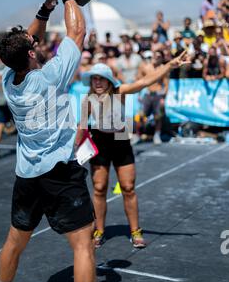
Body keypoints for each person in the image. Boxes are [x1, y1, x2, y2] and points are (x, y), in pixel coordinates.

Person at [0, 0, 121, 282]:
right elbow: (77, 32)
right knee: (82, 244)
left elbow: (21, 44)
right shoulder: (50, 77)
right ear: (31, 53)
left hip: (27, 173)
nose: (35, 41)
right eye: (33, 43)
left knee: (14, 240)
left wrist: (45, 7)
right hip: (60, 173)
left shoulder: (8, 79)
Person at [76, 51, 189, 249]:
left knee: (128, 187)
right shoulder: (88, 100)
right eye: (94, 79)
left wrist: (170, 65)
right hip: (99, 140)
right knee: (100, 188)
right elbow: (82, 126)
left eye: (101, 78)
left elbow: (146, 81)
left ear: (109, 81)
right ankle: (99, 230)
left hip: (120, 138)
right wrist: (73, 152)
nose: (97, 82)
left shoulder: (120, 92)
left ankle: (135, 231)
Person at [137, 51, 169, 144]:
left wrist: (163, 97)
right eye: (155, 56)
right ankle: (138, 134)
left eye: (159, 56)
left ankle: (157, 135)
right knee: (141, 115)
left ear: (161, 58)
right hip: (147, 93)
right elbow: (139, 80)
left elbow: (166, 84)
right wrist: (139, 94)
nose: (156, 58)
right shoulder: (146, 67)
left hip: (158, 94)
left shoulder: (163, 69)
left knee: (158, 117)